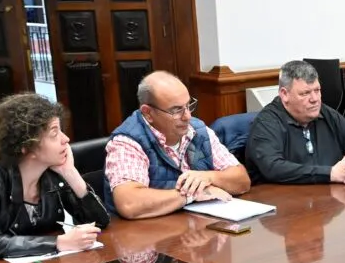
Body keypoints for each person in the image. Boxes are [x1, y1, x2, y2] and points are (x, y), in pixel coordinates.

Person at [0, 93, 109, 259]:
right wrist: (58, 243)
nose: (66, 139)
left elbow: (100, 223)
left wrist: (70, 172)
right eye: (54, 134)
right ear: (26, 147)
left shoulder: (52, 172)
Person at [103, 71, 251, 219]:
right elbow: (129, 204)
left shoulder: (198, 130)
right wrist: (192, 194)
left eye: (188, 105)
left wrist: (210, 177)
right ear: (148, 113)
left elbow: (242, 181)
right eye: (176, 110)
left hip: (194, 227)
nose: (187, 116)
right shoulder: (127, 142)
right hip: (146, 235)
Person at [245, 60, 345, 184]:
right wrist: (330, 173)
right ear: (284, 94)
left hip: (328, 199)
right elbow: (273, 167)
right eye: (305, 93)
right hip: (284, 201)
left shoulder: (327, 114)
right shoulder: (266, 123)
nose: (315, 99)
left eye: (317, 90)